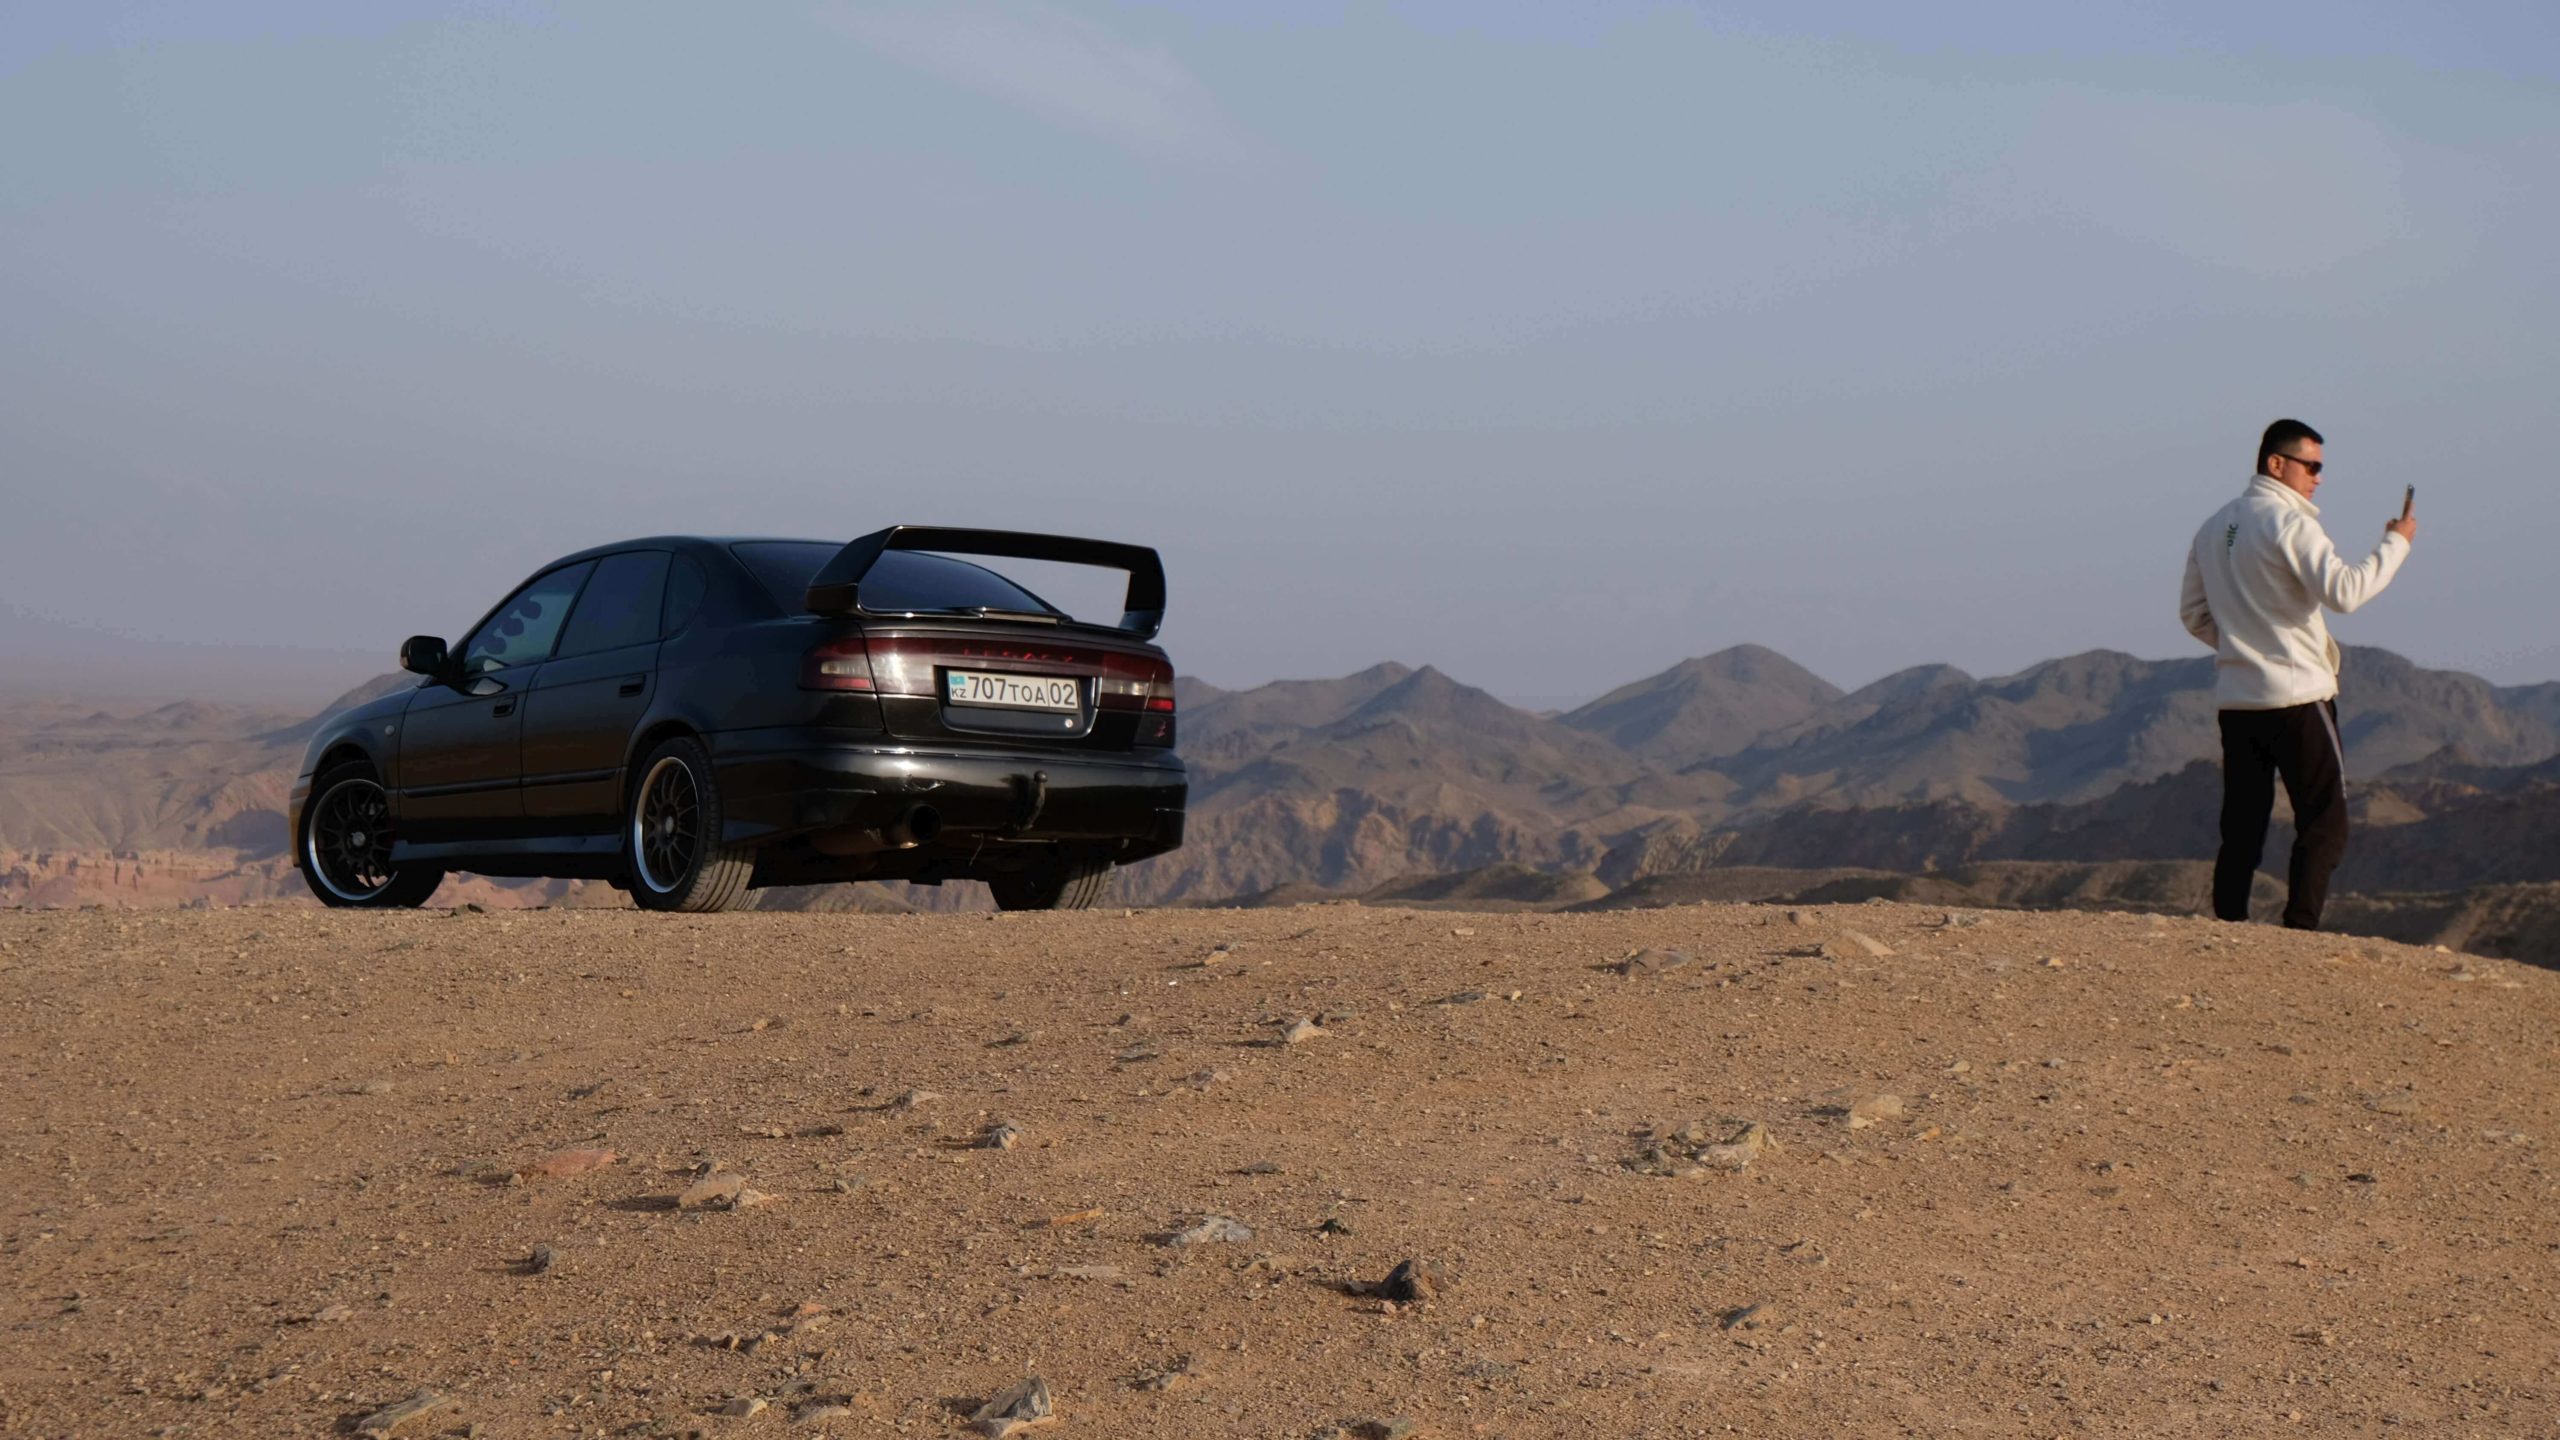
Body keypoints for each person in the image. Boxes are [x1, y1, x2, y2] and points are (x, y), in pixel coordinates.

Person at [2179, 418, 2416, 929]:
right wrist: (2396, 543)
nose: (2318, 478)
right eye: (2311, 466)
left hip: (2239, 700)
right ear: (2276, 464)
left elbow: (2193, 615)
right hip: (2298, 699)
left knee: (2243, 823)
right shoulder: (2290, 523)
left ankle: (2228, 925)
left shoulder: (2212, 526)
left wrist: (2245, 648)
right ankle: (2299, 931)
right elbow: (2346, 592)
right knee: (2325, 821)